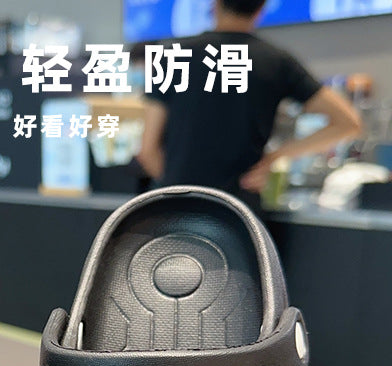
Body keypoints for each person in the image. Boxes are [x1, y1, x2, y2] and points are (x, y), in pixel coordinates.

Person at [137, 0, 363, 209]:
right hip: (240, 212)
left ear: (215, 4)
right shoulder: (276, 62)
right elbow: (348, 122)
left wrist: (176, 187)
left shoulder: (173, 56)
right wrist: (275, 157)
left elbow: (147, 151)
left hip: (175, 209)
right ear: (261, 9)